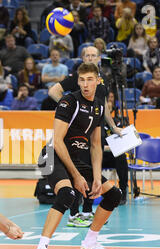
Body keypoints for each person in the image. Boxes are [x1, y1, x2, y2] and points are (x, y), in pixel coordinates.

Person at [27, 63, 121, 249]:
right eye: (82, 80)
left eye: (90, 79)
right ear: (77, 81)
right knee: (67, 194)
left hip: (75, 159)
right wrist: (77, 176)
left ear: (98, 81)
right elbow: (58, 142)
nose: (85, 84)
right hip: (51, 155)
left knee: (113, 194)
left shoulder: (98, 106)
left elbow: (96, 145)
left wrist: (97, 177)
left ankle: (89, 245)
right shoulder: (69, 102)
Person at [47, 46, 123, 226]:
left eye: (93, 55)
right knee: (75, 174)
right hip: (74, 135)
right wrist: (71, 111)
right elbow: (53, 91)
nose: (90, 57)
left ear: (99, 58)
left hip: (92, 131)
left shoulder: (101, 83)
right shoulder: (79, 79)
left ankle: (88, 212)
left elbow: (103, 106)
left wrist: (112, 126)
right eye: (87, 55)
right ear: (82, 57)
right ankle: (74, 213)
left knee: (92, 171)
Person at [101, 91, 128, 205]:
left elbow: (121, 141)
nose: (109, 103)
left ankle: (122, 191)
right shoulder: (96, 122)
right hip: (99, 154)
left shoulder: (117, 122)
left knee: (121, 157)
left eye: (111, 101)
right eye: (107, 101)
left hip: (113, 155)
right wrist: (107, 148)